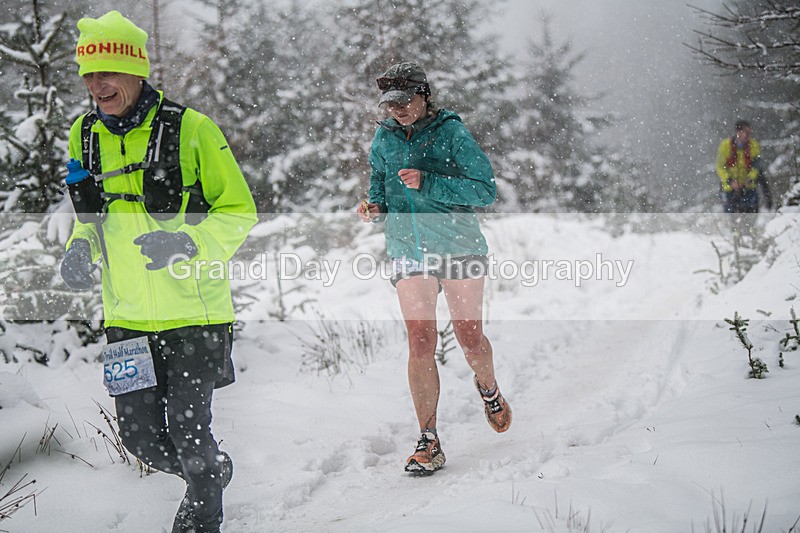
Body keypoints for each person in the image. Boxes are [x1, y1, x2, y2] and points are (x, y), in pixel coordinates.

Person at [60, 11, 257, 532]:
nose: (97, 85)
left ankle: (201, 514)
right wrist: (81, 248)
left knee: (191, 433)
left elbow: (239, 211)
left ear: (136, 71)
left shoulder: (191, 129)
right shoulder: (82, 135)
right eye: (88, 75)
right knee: (141, 439)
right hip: (125, 318)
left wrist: (186, 242)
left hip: (194, 315)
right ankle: (212, 473)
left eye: (108, 73)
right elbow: (91, 220)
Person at [358, 61, 512, 475]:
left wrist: (428, 182)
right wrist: (375, 207)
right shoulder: (383, 138)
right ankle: (429, 440)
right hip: (408, 248)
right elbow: (380, 186)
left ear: (424, 95)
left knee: (470, 338)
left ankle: (489, 388)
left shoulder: (451, 133)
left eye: (405, 101)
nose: (398, 111)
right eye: (391, 105)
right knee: (421, 340)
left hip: (458, 245)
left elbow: (484, 190)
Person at [715, 119, 773, 213]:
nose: (746, 135)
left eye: (749, 132)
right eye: (744, 132)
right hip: (730, 189)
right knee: (732, 216)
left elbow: (756, 166)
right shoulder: (725, 146)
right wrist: (730, 181)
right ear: (737, 132)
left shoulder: (754, 145)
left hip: (749, 188)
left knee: (751, 215)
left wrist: (749, 179)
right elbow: (719, 166)